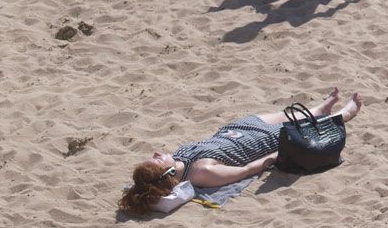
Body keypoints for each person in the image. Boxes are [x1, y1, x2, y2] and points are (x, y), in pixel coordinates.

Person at [118, 90, 366, 216]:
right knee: (298, 126)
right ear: (168, 172)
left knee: (287, 114)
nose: (158, 152)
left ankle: (320, 108)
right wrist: (272, 158)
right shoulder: (200, 172)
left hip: (236, 130)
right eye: (157, 159)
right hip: (259, 142)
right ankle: (345, 114)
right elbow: (246, 170)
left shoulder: (180, 158)